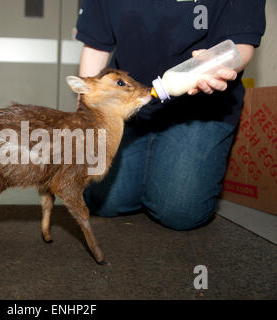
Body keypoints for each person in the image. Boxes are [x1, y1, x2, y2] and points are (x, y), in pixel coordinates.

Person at [76, 0, 266, 230]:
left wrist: (216, 65)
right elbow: (96, 46)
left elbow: (241, 45)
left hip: (201, 108)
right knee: (102, 201)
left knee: (180, 212)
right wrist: (86, 118)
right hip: (128, 108)